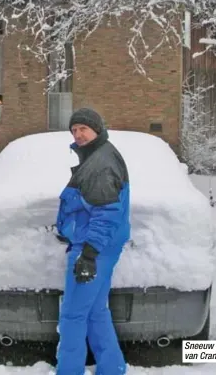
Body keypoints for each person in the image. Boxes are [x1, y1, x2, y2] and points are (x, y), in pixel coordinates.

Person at [55, 107, 130, 375]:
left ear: (96, 129)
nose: (78, 135)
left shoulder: (100, 164)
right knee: (96, 312)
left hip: (92, 250)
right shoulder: (99, 157)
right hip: (101, 249)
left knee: (73, 318)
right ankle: (112, 369)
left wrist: (88, 254)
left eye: (83, 129)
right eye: (74, 130)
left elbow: (107, 214)